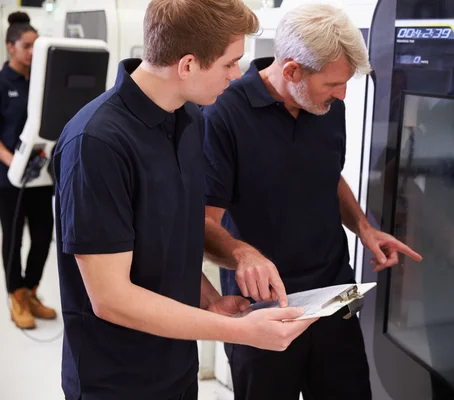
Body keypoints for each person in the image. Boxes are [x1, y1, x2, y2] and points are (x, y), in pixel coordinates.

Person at [52, 1, 316, 399]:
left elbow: (170, 237)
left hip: (176, 366)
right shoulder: (96, 143)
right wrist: (239, 332)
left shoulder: (189, 118)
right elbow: (111, 299)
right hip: (114, 380)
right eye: (230, 63)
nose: (238, 75)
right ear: (188, 65)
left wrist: (211, 296)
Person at [203, 4, 423, 400]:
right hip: (265, 310)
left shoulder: (324, 105)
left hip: (333, 296)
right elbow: (203, 222)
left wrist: (364, 227)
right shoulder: (223, 113)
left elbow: (326, 173)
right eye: (333, 85)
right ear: (291, 72)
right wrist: (241, 254)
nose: (342, 95)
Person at [0, 11, 55, 330]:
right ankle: (16, 296)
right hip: (9, 178)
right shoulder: (2, 82)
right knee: (13, 239)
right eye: (27, 46)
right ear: (11, 47)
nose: (33, 52)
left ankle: (32, 290)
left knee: (42, 235)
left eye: (38, 46)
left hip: (40, 175)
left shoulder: (40, 82)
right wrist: (14, 164)